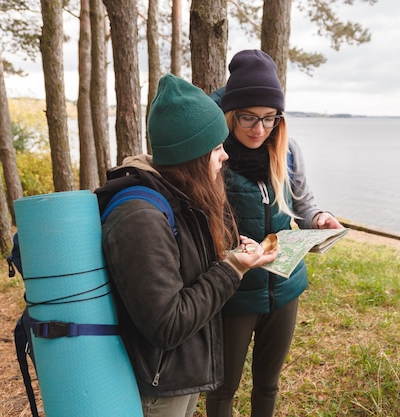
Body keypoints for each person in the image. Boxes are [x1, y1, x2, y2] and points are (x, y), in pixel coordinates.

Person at [95, 73, 279, 417]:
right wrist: (233, 268)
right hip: (159, 385)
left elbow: (183, 274)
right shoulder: (140, 218)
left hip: (179, 371)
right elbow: (167, 324)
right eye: (217, 148)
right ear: (192, 156)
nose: (225, 157)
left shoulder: (175, 194)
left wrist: (230, 255)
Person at [206, 50, 344, 417]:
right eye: (249, 117)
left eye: (270, 118)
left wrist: (320, 219)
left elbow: (304, 202)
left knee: (268, 384)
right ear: (231, 115)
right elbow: (203, 222)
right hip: (235, 291)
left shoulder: (288, 150)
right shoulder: (214, 157)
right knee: (223, 388)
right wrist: (232, 249)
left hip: (285, 288)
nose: (260, 128)